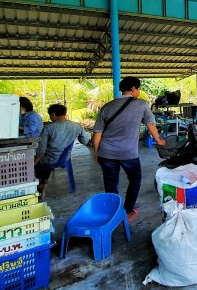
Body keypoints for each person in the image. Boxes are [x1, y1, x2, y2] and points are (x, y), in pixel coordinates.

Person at [92, 77, 165, 221]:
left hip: (106, 153)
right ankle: (128, 211)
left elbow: (97, 133)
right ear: (133, 89)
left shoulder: (107, 107)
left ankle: (113, 213)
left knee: (111, 183)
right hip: (128, 154)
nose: (139, 91)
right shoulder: (142, 105)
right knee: (135, 179)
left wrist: (96, 152)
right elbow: (151, 126)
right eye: (138, 89)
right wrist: (160, 141)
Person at [35, 104, 90, 197]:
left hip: (49, 159)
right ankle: (44, 184)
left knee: (35, 162)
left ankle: (41, 184)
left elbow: (41, 150)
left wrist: (34, 161)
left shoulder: (48, 128)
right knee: (46, 161)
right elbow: (85, 141)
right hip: (64, 158)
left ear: (53, 115)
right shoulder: (76, 126)